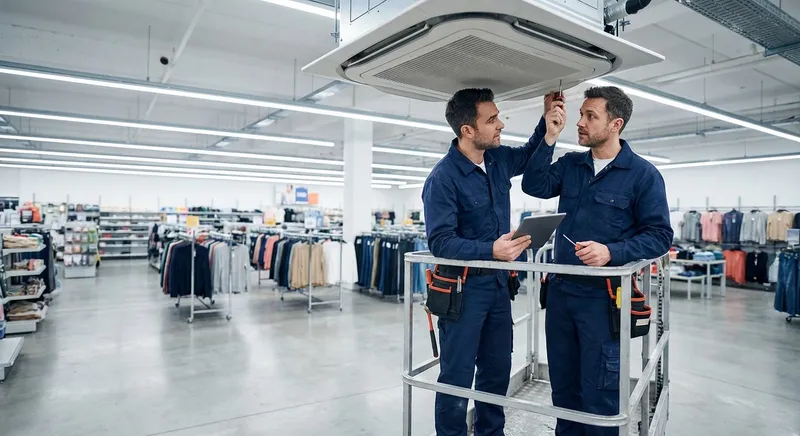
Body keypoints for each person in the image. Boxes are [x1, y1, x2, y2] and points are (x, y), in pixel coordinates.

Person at [521, 86, 673, 436]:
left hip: (604, 299)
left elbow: (660, 235)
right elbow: (534, 184)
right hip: (560, 293)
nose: (581, 122)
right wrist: (549, 136)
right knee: (564, 384)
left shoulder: (643, 175)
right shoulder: (572, 164)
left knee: (601, 388)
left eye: (591, 116)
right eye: (581, 114)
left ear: (616, 123)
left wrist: (611, 252)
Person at [422, 88, 560, 436]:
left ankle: (490, 433)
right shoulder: (443, 179)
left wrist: (547, 123)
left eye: (498, 117)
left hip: (499, 287)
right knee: (456, 377)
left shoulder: (496, 159)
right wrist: (490, 250)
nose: (500, 124)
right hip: (462, 292)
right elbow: (440, 242)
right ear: (467, 130)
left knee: (496, 370)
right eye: (492, 119)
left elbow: (530, 155)